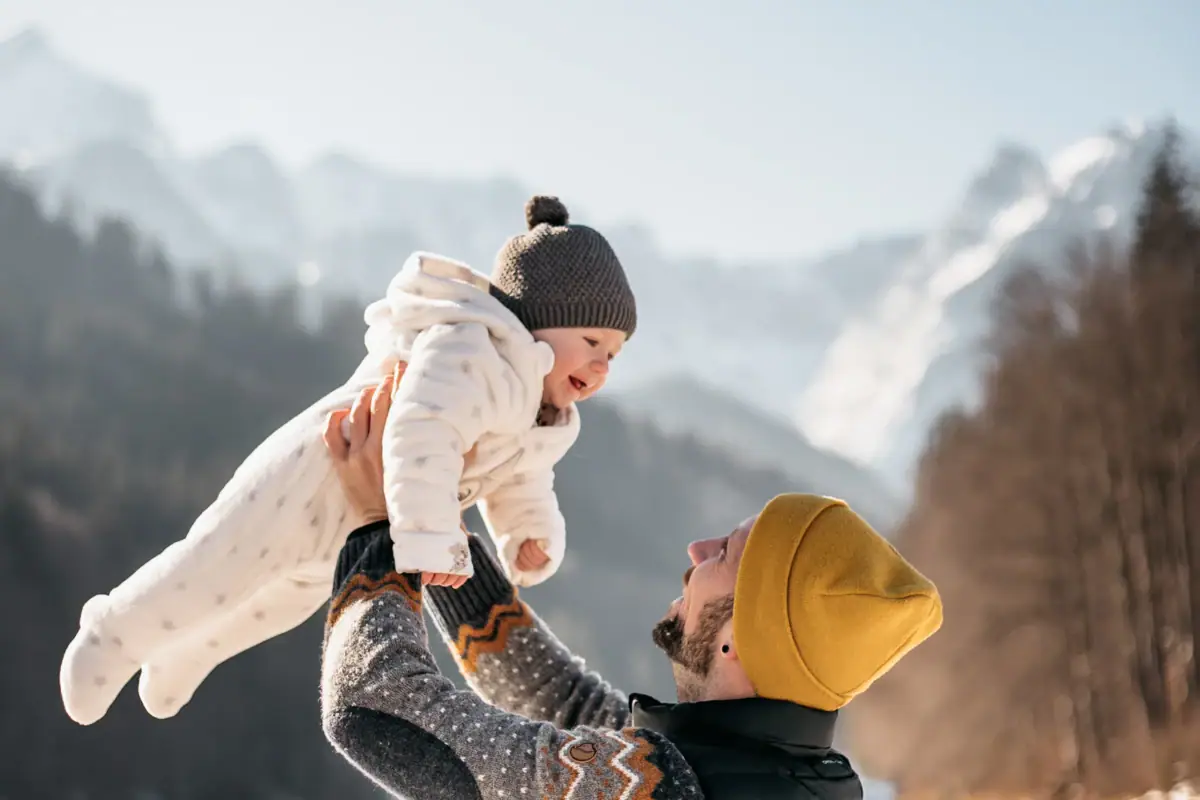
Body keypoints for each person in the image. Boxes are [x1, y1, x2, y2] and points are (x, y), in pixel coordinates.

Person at [60, 195, 637, 727]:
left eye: (614, 354)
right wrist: (433, 538)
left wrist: (527, 535)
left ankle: (184, 656)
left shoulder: (543, 414)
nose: (603, 366)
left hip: (358, 522)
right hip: (311, 476)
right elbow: (421, 430)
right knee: (215, 567)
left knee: (276, 607)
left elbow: (524, 478)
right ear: (540, 319)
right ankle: (112, 633)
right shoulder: (473, 350)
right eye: (592, 343)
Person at [319, 377, 944, 799]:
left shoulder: (658, 787)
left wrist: (378, 527)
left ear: (739, 641)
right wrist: (437, 538)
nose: (696, 552)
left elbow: (375, 709)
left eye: (723, 555)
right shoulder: (791, 774)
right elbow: (563, 705)